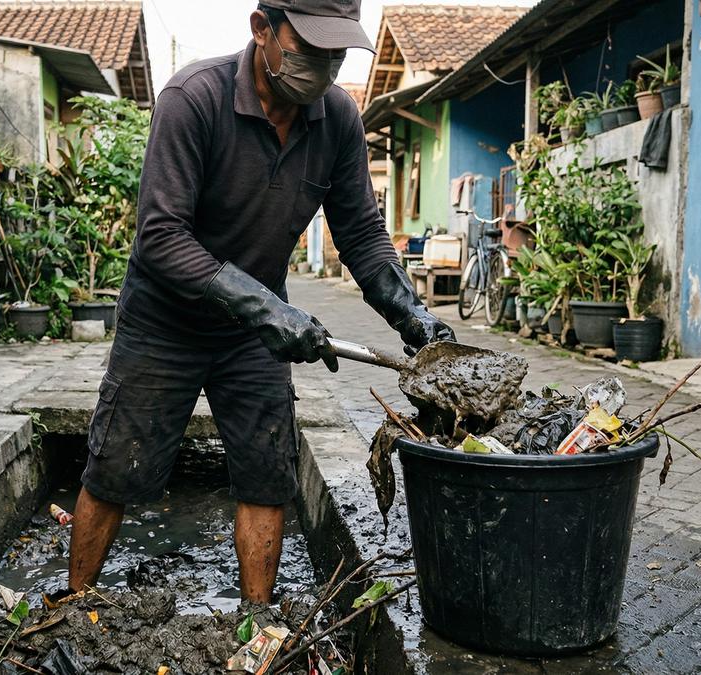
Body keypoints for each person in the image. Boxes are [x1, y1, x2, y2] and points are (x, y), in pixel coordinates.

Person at [68, 0, 454, 603]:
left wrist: (414, 317)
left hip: (252, 335)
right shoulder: (192, 98)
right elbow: (162, 234)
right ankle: (71, 605)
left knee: (267, 473)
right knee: (116, 466)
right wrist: (268, 309)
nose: (324, 68)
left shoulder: (339, 119)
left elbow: (361, 235)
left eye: (336, 55)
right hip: (165, 322)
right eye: (309, 49)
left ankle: (258, 625)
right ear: (261, 30)